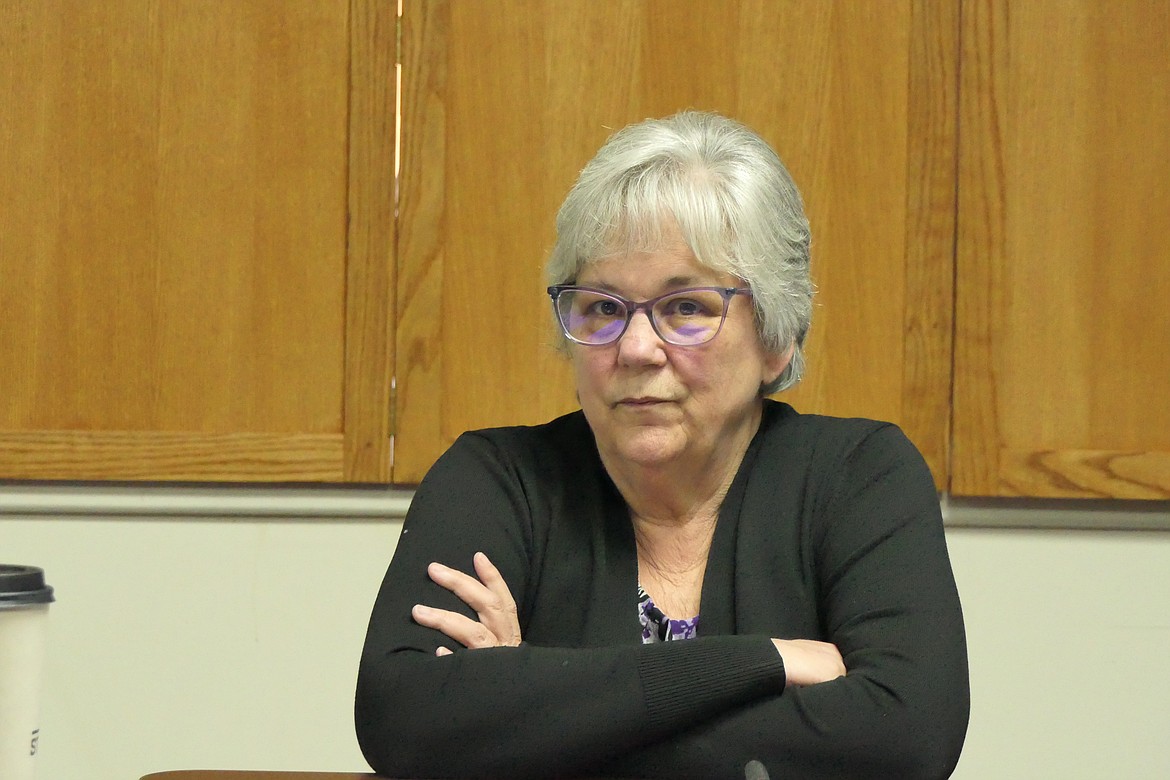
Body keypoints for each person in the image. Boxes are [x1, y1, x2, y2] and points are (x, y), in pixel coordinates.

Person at [355, 110, 969, 779]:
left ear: (776, 336)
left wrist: (539, 722)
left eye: (687, 308)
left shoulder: (859, 476)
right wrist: (763, 661)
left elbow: (906, 741)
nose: (637, 348)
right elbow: (405, 725)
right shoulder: (497, 477)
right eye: (603, 307)